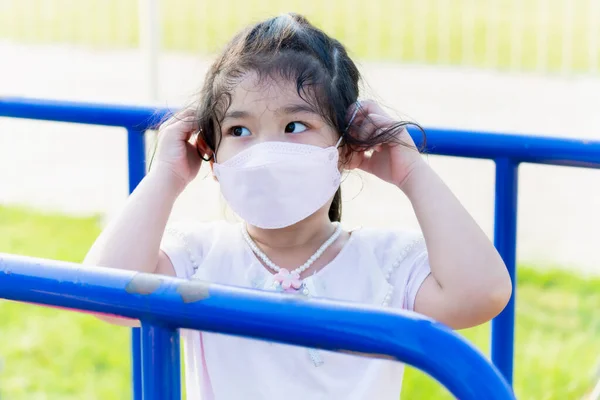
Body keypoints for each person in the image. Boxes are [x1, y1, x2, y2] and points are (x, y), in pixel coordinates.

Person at [83, 13, 512, 400]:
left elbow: (481, 293)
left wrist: (411, 173)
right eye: (239, 129)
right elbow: (105, 293)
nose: (266, 151)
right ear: (211, 155)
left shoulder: (384, 264)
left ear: (345, 149)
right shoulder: (198, 256)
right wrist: (166, 176)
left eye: (294, 126)